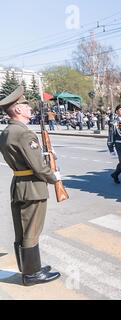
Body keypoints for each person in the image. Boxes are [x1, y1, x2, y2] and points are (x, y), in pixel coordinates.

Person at [0, 86, 61, 286]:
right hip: (32, 188)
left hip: (19, 184)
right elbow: (37, 166)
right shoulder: (24, 133)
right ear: (17, 109)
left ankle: (29, 268)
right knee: (31, 232)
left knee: (23, 231)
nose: (29, 107)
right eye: (25, 104)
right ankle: (32, 274)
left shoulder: (7, 131)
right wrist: (54, 177)